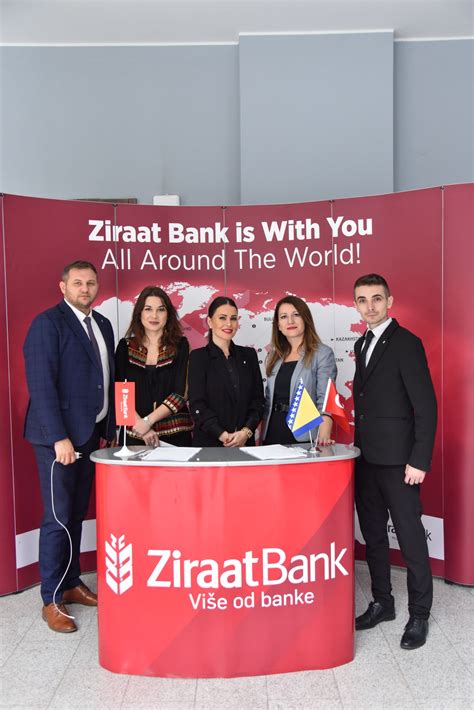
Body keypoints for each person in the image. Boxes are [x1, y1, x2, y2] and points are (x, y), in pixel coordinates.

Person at [23, 260, 116, 633]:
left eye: (91, 283)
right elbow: (41, 385)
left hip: (90, 435)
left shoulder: (103, 324)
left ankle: (72, 581)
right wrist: (58, 437)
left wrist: (108, 428)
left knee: (76, 513)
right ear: (63, 287)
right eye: (77, 283)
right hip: (57, 440)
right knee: (58, 517)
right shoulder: (48, 324)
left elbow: (105, 379)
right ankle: (51, 598)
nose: (85, 289)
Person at [352, 273, 437, 650]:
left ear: (389, 301)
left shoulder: (407, 343)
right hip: (367, 460)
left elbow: (426, 407)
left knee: (410, 538)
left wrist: (419, 460)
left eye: (376, 298)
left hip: (401, 463)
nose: (369, 306)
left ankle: (419, 613)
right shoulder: (361, 343)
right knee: (373, 537)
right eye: (362, 299)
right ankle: (382, 603)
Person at [115, 286, 192, 446]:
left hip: (175, 436)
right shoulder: (125, 346)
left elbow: (181, 393)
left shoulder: (181, 345)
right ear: (139, 313)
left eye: (161, 310)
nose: (154, 315)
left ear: (168, 314)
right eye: (148, 309)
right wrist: (140, 425)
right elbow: (120, 393)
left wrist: (148, 421)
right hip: (134, 434)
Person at [188, 296, 264, 446]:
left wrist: (246, 432)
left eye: (233, 318)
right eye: (222, 318)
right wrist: (222, 435)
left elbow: (258, 400)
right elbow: (197, 405)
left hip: (244, 443)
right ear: (210, 322)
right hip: (210, 444)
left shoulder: (249, 355)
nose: (229, 324)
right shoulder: (198, 357)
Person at [262, 295, 337, 446]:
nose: (290, 321)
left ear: (305, 319)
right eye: (284, 317)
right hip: (272, 432)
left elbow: (326, 399)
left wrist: (324, 432)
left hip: (305, 433)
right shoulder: (273, 357)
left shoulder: (322, 353)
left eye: (296, 314)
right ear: (278, 325)